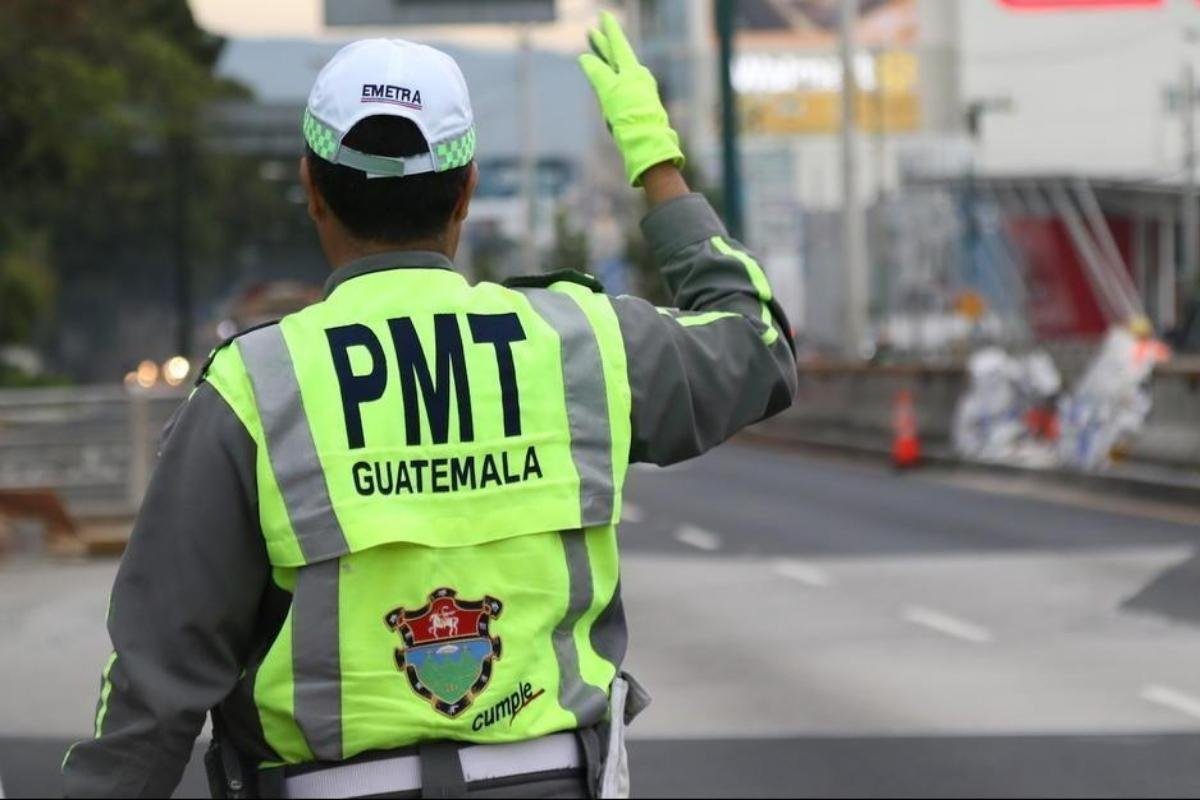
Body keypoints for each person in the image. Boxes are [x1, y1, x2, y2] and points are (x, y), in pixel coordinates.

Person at [62, 13, 797, 799]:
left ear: (312, 190)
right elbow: (757, 348)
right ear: (468, 189)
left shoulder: (255, 387)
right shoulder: (582, 344)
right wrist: (657, 162)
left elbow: (154, 688)